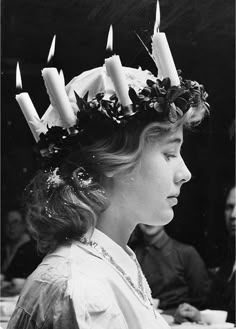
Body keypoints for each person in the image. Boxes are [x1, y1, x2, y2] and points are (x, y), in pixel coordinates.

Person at [8, 37, 209, 328]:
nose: (185, 172)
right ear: (113, 161)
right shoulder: (81, 290)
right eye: (169, 153)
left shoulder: (111, 261)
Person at [174, 183, 235, 324]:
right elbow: (214, 306)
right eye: (229, 207)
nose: (233, 215)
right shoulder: (228, 257)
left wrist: (202, 317)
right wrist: (191, 313)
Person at [130, 224, 210, 311]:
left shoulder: (186, 253)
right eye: (143, 211)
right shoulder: (130, 255)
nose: (150, 220)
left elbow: (202, 299)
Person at [1, 206, 42, 282]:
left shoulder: (33, 249)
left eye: (15, 222)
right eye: (7, 222)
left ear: (24, 225)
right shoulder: (3, 246)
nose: (11, 227)